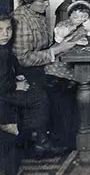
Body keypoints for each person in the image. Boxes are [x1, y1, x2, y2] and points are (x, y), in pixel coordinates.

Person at [12, 0, 78, 148]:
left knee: (74, 75)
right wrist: (55, 50)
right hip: (25, 71)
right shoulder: (20, 19)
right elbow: (23, 58)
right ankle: (54, 139)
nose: (47, 4)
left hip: (40, 63)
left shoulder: (36, 13)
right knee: (61, 83)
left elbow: (46, 42)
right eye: (43, 1)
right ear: (28, 0)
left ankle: (69, 133)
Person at [0, 13, 66, 157]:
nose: (5, 34)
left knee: (37, 86)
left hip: (6, 87)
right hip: (3, 93)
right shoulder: (2, 54)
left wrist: (18, 76)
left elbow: (7, 71)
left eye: (8, 29)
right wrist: (16, 86)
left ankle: (37, 136)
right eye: (0, 30)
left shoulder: (4, 49)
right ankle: (38, 140)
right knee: (39, 97)